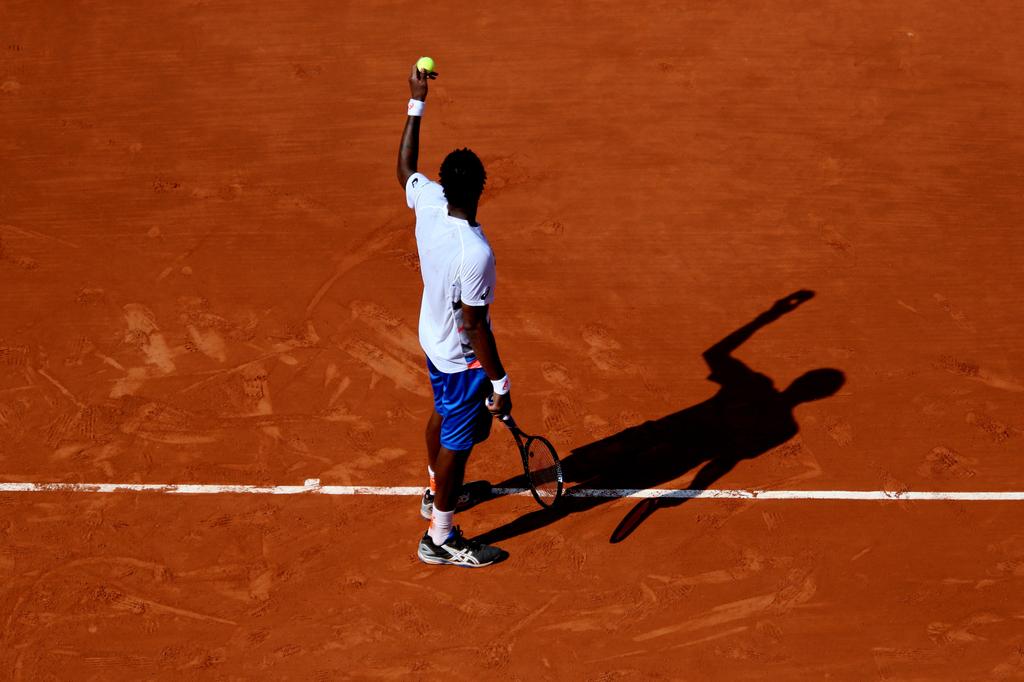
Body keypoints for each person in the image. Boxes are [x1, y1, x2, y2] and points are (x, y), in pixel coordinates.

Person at [397, 63, 510, 567]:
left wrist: (416, 101)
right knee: (459, 443)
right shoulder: (475, 254)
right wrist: (500, 382)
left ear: (443, 184)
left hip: (432, 338)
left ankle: (434, 490)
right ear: (482, 187)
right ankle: (439, 538)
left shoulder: (428, 201)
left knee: (444, 414)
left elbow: (404, 167)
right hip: (462, 357)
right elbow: (474, 325)